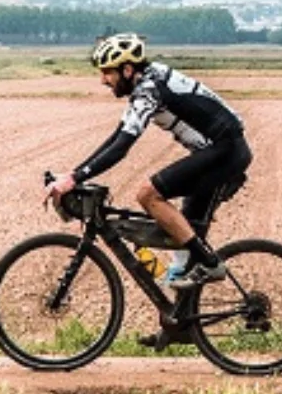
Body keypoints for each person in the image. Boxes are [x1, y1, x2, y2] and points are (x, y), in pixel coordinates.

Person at [43, 33, 250, 290]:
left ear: (127, 69)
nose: (103, 80)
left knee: (148, 194)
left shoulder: (149, 90)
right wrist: (74, 173)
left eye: (107, 72)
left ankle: (210, 264)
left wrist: (74, 178)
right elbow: (118, 135)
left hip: (226, 152)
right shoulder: (147, 82)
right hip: (218, 152)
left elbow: (122, 148)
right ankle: (179, 325)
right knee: (182, 248)